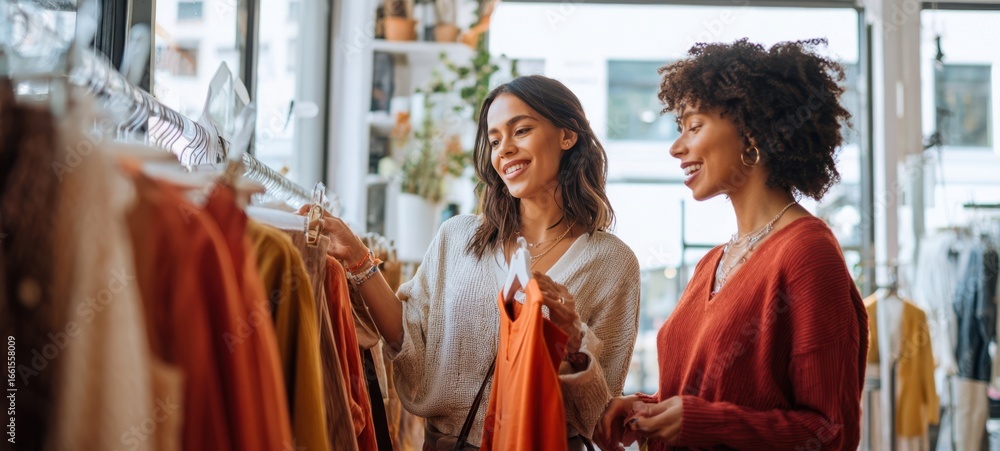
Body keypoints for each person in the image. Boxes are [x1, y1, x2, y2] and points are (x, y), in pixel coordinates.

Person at [309, 75, 641, 450]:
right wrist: (356, 255)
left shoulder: (613, 263)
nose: (505, 150)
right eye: (495, 139)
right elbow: (408, 339)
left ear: (568, 135)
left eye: (522, 130)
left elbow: (601, 416)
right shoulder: (458, 238)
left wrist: (574, 341)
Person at [595, 38, 868, 450]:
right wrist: (650, 409)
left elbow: (830, 432)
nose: (676, 147)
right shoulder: (713, 262)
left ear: (750, 129)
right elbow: (717, 397)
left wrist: (699, 423)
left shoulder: (808, 254)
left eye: (694, 125)